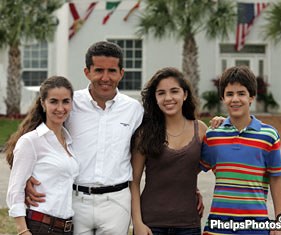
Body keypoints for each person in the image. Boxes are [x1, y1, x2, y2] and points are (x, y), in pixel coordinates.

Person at [26, 41, 144, 235]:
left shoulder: (134, 109)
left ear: (121, 73)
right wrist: (26, 177)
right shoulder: (70, 104)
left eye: (112, 71)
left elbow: (158, 144)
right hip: (74, 199)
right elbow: (33, 139)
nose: (105, 78)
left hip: (116, 202)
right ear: (87, 72)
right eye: (98, 70)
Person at [200, 65, 281, 235]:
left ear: (252, 97)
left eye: (241, 93)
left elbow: (276, 179)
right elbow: (190, 169)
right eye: (229, 94)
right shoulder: (213, 134)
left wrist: (280, 221)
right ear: (223, 98)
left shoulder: (268, 135)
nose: (235, 99)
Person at [130, 67, 208, 235]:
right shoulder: (145, 133)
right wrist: (137, 223)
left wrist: (223, 122)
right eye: (161, 93)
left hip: (189, 224)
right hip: (151, 224)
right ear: (155, 98)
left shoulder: (200, 130)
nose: (168, 98)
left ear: (185, 95)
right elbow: (134, 182)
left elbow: (203, 166)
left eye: (174, 91)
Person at [6, 76, 78, 235]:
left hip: (67, 228)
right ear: (43, 104)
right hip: (41, 227)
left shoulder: (69, 142)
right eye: (54, 101)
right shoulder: (31, 141)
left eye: (66, 101)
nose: (60, 108)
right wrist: (23, 231)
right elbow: (14, 190)